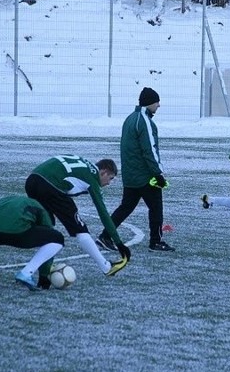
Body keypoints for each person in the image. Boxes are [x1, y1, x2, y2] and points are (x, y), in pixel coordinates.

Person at [96, 87, 175, 252]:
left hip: (131, 174)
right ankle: (156, 241)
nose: (159, 105)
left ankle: (105, 236)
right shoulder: (144, 120)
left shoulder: (130, 118)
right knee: (156, 208)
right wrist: (157, 173)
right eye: (157, 102)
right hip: (144, 175)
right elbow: (149, 149)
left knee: (125, 207)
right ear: (150, 103)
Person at [25, 155, 130, 276]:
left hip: (32, 180)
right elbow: (103, 213)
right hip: (51, 185)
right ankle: (106, 267)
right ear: (104, 172)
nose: (109, 183)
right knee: (80, 229)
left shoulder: (84, 163)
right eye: (110, 178)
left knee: (47, 228)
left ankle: (37, 275)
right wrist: (119, 243)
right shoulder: (92, 179)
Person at [0, 195, 65, 291]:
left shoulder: (5, 200)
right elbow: (48, 234)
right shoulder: (40, 208)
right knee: (57, 238)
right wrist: (44, 279)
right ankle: (26, 273)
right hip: (18, 233)